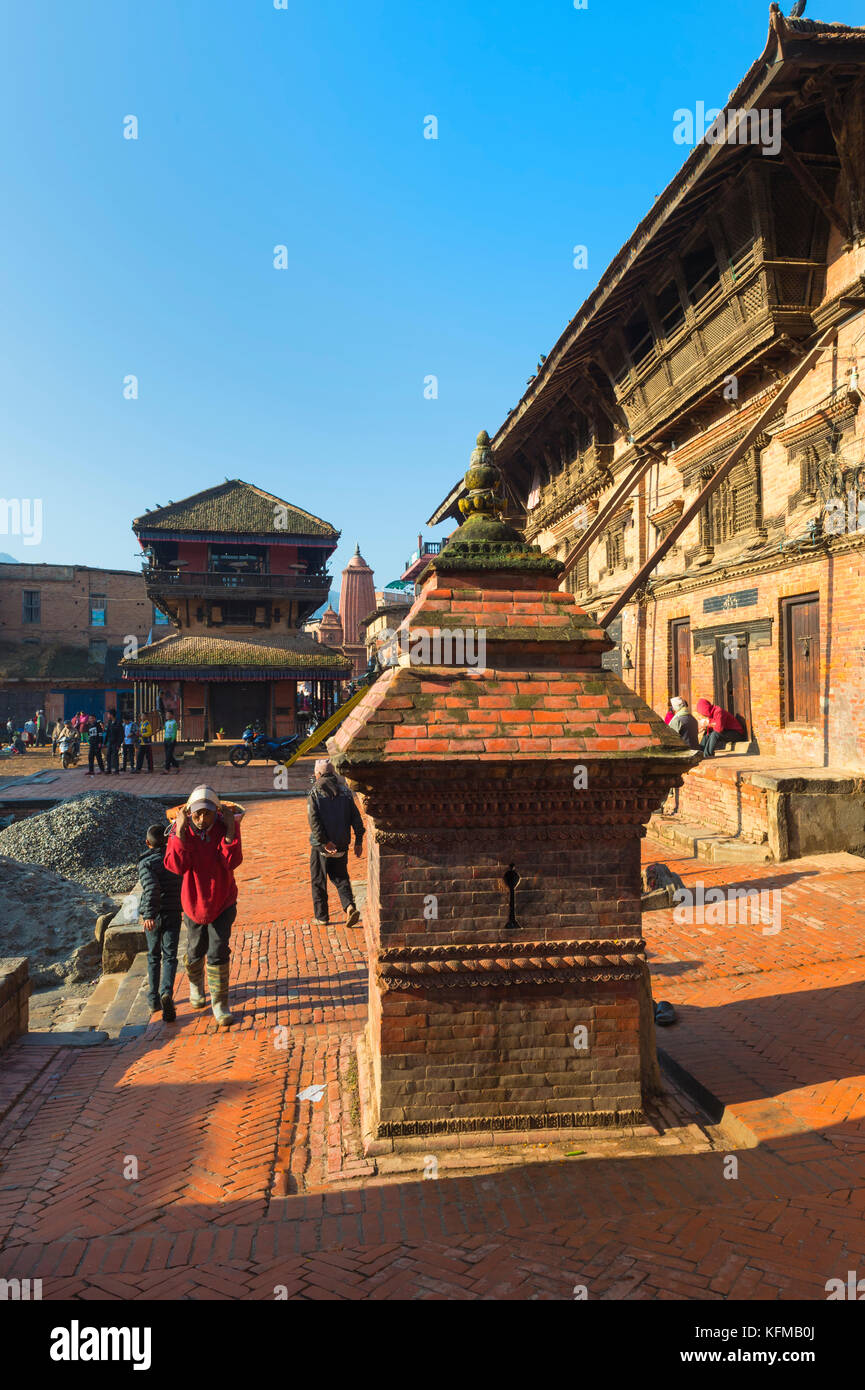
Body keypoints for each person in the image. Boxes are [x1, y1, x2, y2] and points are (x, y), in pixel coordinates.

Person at [164, 785, 243, 1028]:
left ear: (214, 813)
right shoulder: (181, 831)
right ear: (189, 813)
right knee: (195, 949)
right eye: (197, 814)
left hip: (223, 900)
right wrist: (179, 834)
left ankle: (220, 1003)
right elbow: (176, 866)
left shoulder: (224, 828)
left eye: (206, 813)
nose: (201, 819)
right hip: (193, 902)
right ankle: (196, 986)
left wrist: (230, 832)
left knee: (218, 950)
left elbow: (232, 861)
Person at [307, 759, 363, 927]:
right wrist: (358, 841)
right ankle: (349, 907)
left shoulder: (315, 792)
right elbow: (357, 819)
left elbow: (314, 820)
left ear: (318, 774)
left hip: (322, 846)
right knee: (341, 877)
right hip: (342, 844)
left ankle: (322, 916)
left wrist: (325, 841)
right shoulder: (345, 792)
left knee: (319, 880)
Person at [139, 824, 182, 1021]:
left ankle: (154, 998)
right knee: (170, 957)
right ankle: (167, 993)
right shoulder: (173, 858)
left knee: (154, 956)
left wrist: (148, 914)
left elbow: (151, 889)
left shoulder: (146, 863)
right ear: (166, 841)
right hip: (173, 911)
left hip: (154, 917)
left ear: (147, 843)